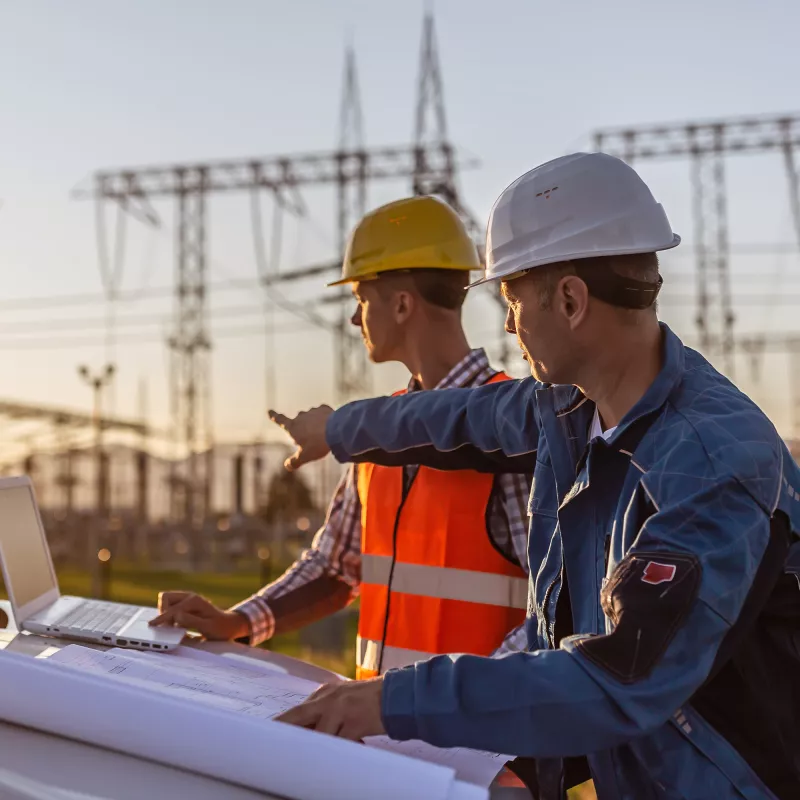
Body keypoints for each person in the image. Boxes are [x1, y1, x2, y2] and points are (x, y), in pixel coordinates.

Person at [270, 153, 800, 799]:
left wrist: (385, 703)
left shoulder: (711, 460)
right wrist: (335, 430)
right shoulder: (573, 408)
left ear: (571, 299)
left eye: (512, 299)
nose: (509, 325)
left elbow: (620, 677)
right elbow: (457, 416)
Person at [151, 195, 532, 679]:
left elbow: (552, 611)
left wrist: (468, 709)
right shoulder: (375, 435)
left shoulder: (510, 437)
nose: (354, 320)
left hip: (477, 745)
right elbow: (335, 566)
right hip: (382, 734)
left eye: (360, 299)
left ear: (400, 305)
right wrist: (239, 621)